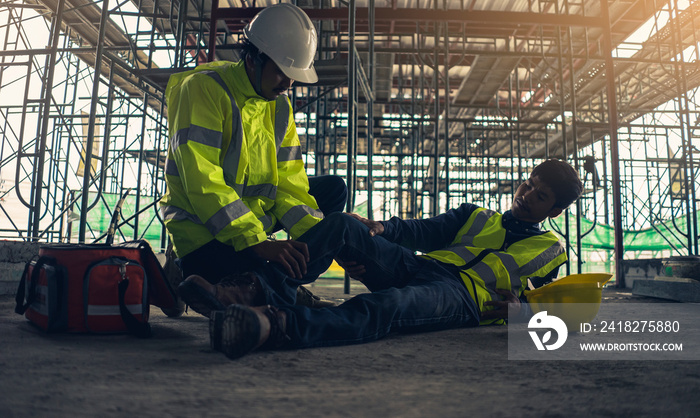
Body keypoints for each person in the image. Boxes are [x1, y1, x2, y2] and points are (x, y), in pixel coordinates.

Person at [182, 159, 583, 359]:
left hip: (460, 297)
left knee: (386, 306)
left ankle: (276, 324)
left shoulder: (551, 248)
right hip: (418, 267)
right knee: (341, 224)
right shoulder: (475, 215)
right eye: (529, 184)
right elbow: (423, 231)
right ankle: (253, 289)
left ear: (555, 210)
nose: (527, 195)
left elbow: (559, 309)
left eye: (541, 195)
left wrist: (524, 313)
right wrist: (379, 230)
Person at [159, 3, 346, 310]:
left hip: (252, 225)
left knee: (334, 193)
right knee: (243, 267)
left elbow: (289, 185)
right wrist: (258, 243)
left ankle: (265, 287)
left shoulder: (280, 106)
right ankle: (189, 270)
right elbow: (203, 183)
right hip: (204, 235)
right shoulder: (203, 90)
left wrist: (326, 238)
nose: (288, 84)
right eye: (282, 72)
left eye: (293, 76)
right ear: (252, 59)